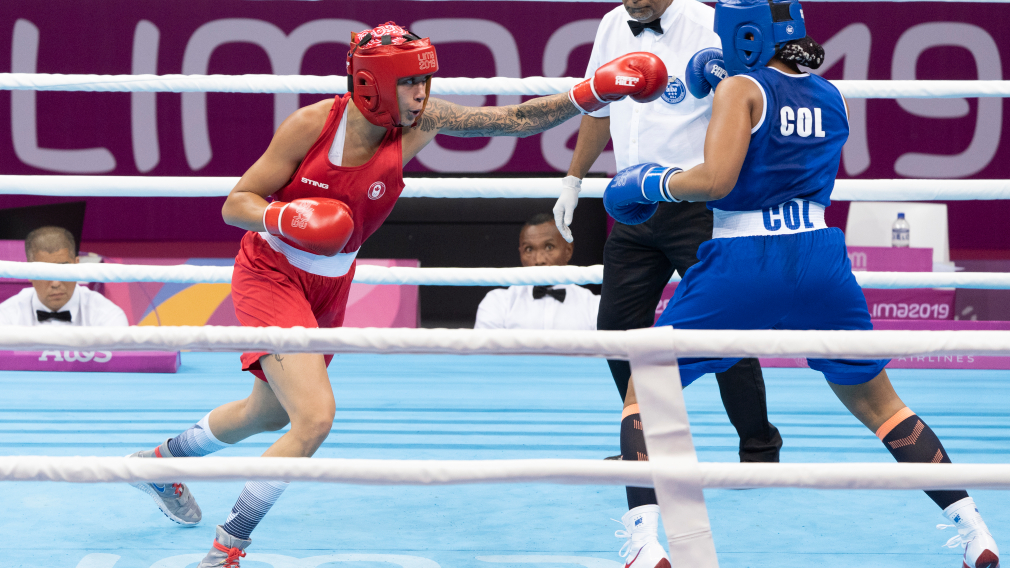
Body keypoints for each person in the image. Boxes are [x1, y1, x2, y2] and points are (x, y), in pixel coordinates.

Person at [124, 22, 669, 568]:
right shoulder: (312, 125)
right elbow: (235, 201)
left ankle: (160, 464)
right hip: (272, 271)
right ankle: (227, 548)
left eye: (426, 82)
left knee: (268, 415)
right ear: (372, 84)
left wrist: (594, 92)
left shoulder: (424, 119)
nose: (422, 96)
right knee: (312, 419)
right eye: (410, 84)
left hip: (331, 281)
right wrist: (284, 214)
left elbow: (513, 120)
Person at [604, 1, 1000, 567]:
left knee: (645, 391)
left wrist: (651, 182)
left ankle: (644, 545)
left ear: (744, 35)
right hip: (819, 260)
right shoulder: (832, 95)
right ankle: (975, 530)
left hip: (744, 260)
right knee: (884, 406)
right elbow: (787, 139)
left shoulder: (740, 89)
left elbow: (716, 180)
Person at [551, 0, 781, 563]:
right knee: (617, 328)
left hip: (697, 201)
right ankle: (646, 444)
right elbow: (598, 106)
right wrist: (575, 178)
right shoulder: (611, 24)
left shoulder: (712, 25)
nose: (639, 3)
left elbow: (755, 109)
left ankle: (759, 449)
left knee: (721, 331)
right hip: (631, 203)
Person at [475, 213, 600, 330]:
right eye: (529, 249)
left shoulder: (594, 306)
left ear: (568, 251)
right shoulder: (498, 303)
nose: (539, 260)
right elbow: (485, 353)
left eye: (549, 247)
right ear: (521, 253)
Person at [0, 226, 127, 327]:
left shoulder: (108, 317)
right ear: (28, 272)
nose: (55, 283)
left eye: (63, 270)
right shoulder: (6, 316)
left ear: (77, 266)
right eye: (44, 272)